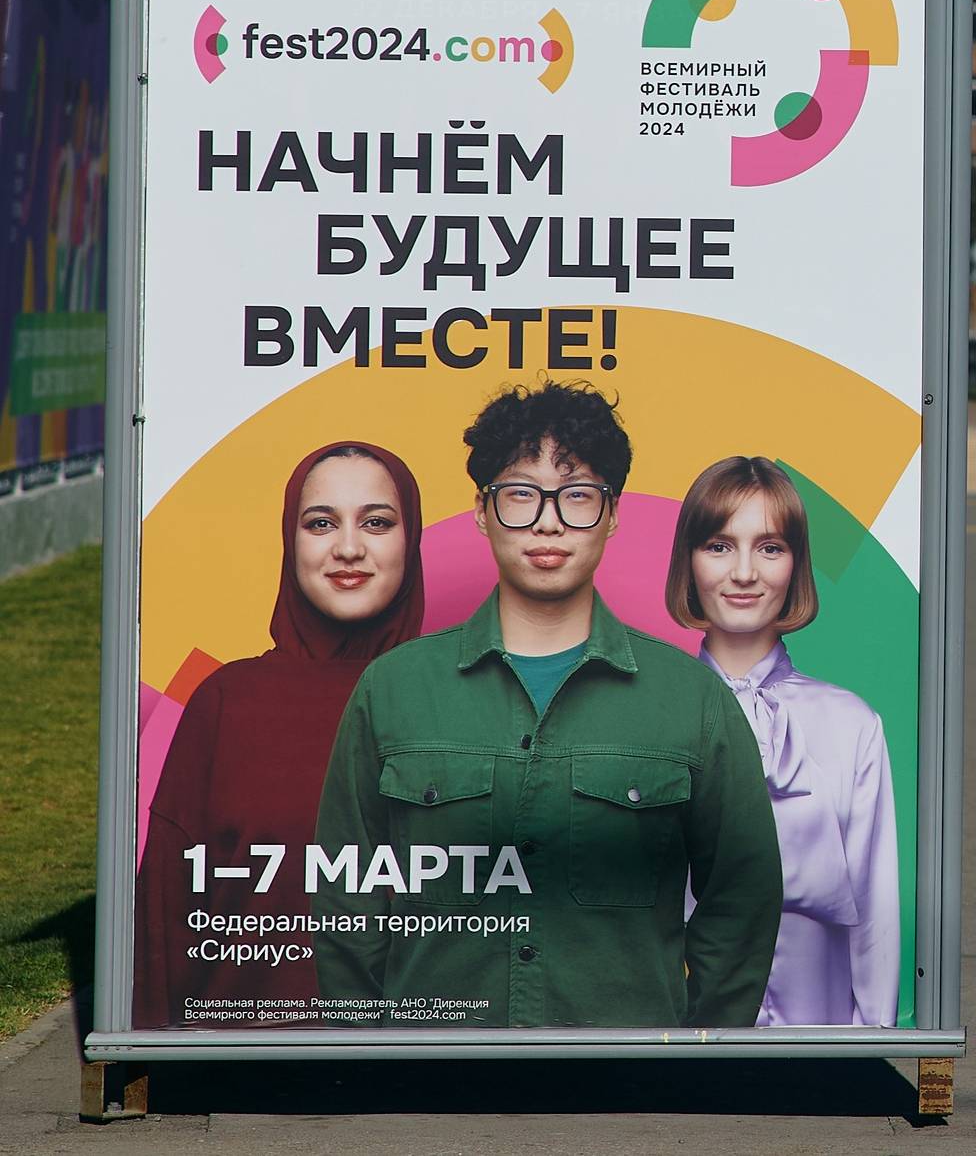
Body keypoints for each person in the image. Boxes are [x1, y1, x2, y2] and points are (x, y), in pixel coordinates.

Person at [314, 383, 781, 1028]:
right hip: (425, 1095)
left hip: (632, 1096)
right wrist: (373, 1061)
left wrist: (694, 1061)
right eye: (520, 494)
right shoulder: (392, 689)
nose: (548, 521)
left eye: (578, 495)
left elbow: (743, 901)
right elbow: (346, 902)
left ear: (613, 515)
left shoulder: (692, 699)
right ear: (482, 511)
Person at [134, 442, 427, 1028]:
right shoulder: (226, 700)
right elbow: (167, 908)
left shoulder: (461, 696)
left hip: (427, 1082)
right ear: (290, 541)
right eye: (321, 523)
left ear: (410, 539)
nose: (349, 547)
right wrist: (144, 1068)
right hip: (238, 1070)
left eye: (376, 522)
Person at [666, 455, 900, 1027]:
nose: (744, 573)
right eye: (720, 546)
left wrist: (871, 1041)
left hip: (818, 1041)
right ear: (688, 562)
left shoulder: (850, 723)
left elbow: (876, 905)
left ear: (796, 564)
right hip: (677, 1041)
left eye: (769, 548)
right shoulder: (652, 714)